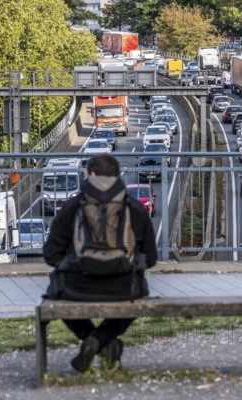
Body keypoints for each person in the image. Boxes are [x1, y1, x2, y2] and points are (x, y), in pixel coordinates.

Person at [43, 154, 157, 373]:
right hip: (124, 287)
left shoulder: (72, 206)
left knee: (54, 292)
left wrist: (77, 261)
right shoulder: (134, 207)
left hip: (77, 287)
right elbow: (150, 258)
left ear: (92, 174)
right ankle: (102, 340)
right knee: (138, 295)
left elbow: (51, 255)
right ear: (116, 176)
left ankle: (92, 339)